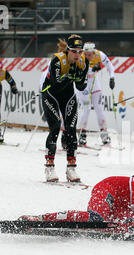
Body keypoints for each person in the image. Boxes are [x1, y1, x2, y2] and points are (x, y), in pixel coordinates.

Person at [40, 34, 89, 182]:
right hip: (51, 94)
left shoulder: (84, 62)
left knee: (71, 129)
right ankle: (49, 167)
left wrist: (79, 77)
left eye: (80, 51)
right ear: (67, 50)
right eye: (74, 51)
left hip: (68, 96)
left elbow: (81, 87)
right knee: (55, 127)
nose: (77, 55)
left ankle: (71, 168)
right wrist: (70, 76)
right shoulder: (57, 60)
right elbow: (56, 83)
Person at [73, 42, 115, 147]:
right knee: (86, 108)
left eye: (89, 54)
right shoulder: (80, 57)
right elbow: (77, 72)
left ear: (94, 52)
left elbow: (109, 65)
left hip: (94, 82)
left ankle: (105, 136)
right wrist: (93, 68)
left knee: (99, 108)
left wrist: (112, 77)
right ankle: (82, 136)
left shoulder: (99, 55)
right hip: (82, 84)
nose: (87, 56)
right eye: (85, 54)